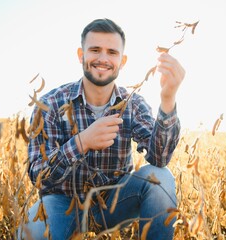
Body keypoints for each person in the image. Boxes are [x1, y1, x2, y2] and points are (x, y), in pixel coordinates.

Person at [19, 18, 185, 240]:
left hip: (115, 203)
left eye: (112, 52)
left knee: (160, 177)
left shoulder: (132, 103)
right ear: (81, 55)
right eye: (95, 50)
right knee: (31, 234)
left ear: (122, 60)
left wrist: (168, 99)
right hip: (62, 203)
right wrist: (81, 143)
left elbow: (160, 157)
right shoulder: (51, 104)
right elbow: (39, 176)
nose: (103, 58)